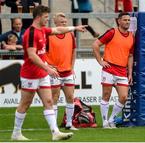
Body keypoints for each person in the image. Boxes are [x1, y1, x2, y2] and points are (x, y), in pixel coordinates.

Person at [11, 5, 87, 141]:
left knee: (48, 101)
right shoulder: (31, 33)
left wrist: (74, 28)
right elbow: (32, 55)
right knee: (25, 103)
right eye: (46, 17)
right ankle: (16, 133)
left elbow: (58, 29)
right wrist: (48, 68)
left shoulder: (43, 30)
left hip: (42, 74)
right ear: (39, 17)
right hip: (30, 74)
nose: (47, 20)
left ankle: (55, 132)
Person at [92, 12, 134, 128]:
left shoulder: (131, 36)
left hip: (122, 71)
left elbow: (130, 56)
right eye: (125, 20)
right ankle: (105, 122)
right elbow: (95, 44)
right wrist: (100, 61)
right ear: (119, 21)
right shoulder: (112, 32)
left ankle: (111, 119)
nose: (127, 22)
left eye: (128, 20)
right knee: (106, 95)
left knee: (123, 97)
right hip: (109, 68)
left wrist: (129, 73)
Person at [46, 12, 78, 130]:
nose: (64, 24)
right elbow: (42, 52)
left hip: (68, 71)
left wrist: (72, 66)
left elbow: (74, 51)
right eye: (62, 22)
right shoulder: (49, 35)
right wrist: (49, 66)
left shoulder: (70, 34)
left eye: (65, 22)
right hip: (55, 72)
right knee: (55, 97)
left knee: (70, 96)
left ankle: (69, 123)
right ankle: (54, 126)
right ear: (56, 23)